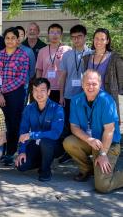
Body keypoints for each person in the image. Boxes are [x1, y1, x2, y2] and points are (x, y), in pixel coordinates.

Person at [63, 70, 123, 193]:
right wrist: (89, 139)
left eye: (94, 84)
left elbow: (109, 130)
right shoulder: (76, 100)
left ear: (100, 84)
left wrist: (103, 154)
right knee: (69, 142)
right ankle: (87, 169)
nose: (90, 87)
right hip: (90, 141)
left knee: (103, 186)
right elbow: (74, 127)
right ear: (82, 84)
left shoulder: (106, 100)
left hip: (108, 144)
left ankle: (113, 174)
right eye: (87, 83)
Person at [0, 27, 29, 166]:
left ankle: (11, 152)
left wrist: (2, 90)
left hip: (15, 94)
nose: (10, 40)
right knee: (0, 123)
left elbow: (21, 78)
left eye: (13, 38)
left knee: (13, 123)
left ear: (18, 40)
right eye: (7, 38)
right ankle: (0, 149)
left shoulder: (23, 56)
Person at [15, 78, 64, 181]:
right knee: (21, 166)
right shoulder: (29, 108)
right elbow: (23, 131)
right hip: (36, 144)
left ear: (48, 92)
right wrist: (22, 151)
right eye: (35, 90)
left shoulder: (57, 109)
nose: (39, 93)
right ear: (32, 92)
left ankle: (45, 170)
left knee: (45, 142)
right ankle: (43, 161)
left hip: (53, 145)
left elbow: (55, 134)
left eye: (42, 90)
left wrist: (32, 135)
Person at [58, 25, 91, 163]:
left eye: (79, 37)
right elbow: (63, 76)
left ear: (85, 37)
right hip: (69, 95)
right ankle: (68, 152)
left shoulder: (91, 54)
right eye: (73, 37)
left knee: (84, 124)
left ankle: (85, 150)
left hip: (86, 96)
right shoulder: (67, 55)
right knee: (69, 124)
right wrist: (61, 96)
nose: (76, 40)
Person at [83, 28, 123, 120]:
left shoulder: (114, 58)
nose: (99, 41)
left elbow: (121, 79)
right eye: (96, 38)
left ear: (107, 41)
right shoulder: (86, 58)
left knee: (108, 127)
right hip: (89, 99)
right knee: (92, 128)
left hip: (108, 99)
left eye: (102, 39)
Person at [36, 23, 71, 103]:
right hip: (45, 89)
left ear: (61, 35)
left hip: (62, 89)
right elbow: (39, 71)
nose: (55, 35)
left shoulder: (67, 50)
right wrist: (38, 87)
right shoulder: (42, 51)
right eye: (52, 32)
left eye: (58, 32)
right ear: (48, 35)